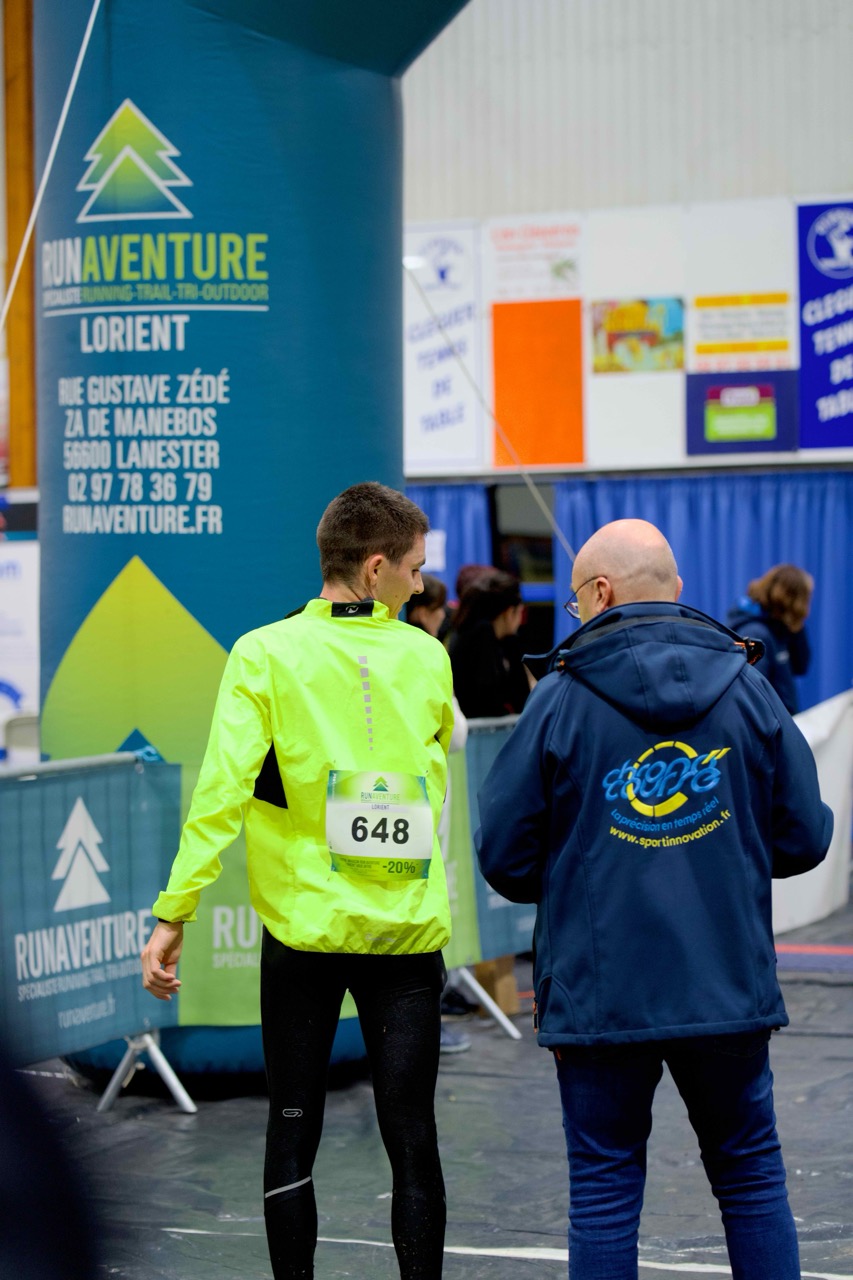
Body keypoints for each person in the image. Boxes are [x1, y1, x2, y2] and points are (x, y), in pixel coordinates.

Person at [475, 518, 833, 1280]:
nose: (574, 614)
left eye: (575, 601)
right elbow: (805, 836)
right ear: (672, 590)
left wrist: (583, 869)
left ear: (601, 593)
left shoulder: (558, 699)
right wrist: (721, 853)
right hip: (725, 984)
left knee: (603, 1191)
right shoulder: (748, 687)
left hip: (599, 993)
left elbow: (502, 855)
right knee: (750, 1176)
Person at [141, 482, 455, 1280]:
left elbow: (221, 793)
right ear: (376, 567)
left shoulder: (263, 652)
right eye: (414, 568)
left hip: (303, 935)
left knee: (291, 1132)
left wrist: (175, 911)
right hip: (404, 936)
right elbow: (438, 762)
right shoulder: (426, 655)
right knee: (413, 1138)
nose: (421, 583)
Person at [406, 574, 472, 1052]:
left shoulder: (427, 653)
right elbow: (457, 731)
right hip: (407, 811)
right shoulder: (421, 654)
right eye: (412, 570)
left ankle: (428, 1017)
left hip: (413, 811)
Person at [727, 564, 814, 714]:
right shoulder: (755, 633)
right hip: (772, 725)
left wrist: (796, 627)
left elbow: (801, 666)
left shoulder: (779, 628)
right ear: (792, 601)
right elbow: (752, 695)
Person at [448, 568, 530, 718]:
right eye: (520, 612)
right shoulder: (480, 637)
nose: (521, 621)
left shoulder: (498, 639)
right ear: (509, 612)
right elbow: (490, 700)